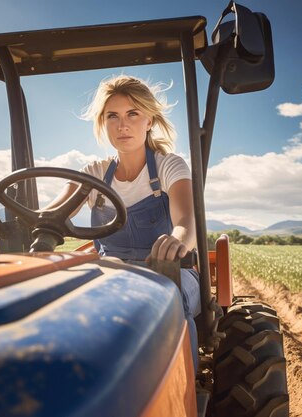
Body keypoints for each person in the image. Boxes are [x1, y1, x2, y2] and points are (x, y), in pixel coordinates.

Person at [47, 74, 200, 370]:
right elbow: (54, 213)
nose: (122, 125)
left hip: (169, 270)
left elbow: (186, 219)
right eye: (112, 116)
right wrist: (34, 219)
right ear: (103, 123)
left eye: (133, 114)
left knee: (167, 300)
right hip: (112, 271)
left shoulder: (169, 166)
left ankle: (186, 385)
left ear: (150, 120)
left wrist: (177, 239)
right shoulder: (94, 173)